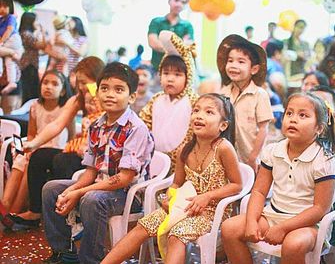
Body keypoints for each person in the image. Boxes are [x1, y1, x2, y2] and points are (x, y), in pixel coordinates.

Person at [101, 93, 242, 264]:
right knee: (143, 225)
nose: (199, 115)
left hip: (211, 212)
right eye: (196, 110)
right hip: (183, 206)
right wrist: (170, 197)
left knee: (176, 234)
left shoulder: (224, 148)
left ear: (223, 125)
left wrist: (207, 197)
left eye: (209, 112)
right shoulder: (186, 149)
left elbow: (237, 185)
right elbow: (177, 182)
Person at [41, 62, 154, 264]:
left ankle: (90, 260)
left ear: (132, 97)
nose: (110, 94)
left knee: (91, 199)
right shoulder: (97, 125)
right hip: (100, 185)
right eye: (104, 88)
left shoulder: (136, 128)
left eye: (118, 89)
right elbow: (91, 171)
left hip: (128, 194)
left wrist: (79, 193)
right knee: (52, 189)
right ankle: (64, 253)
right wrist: (73, 189)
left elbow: (124, 178)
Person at [222, 92, 335, 264]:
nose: (293, 119)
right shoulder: (273, 150)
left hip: (308, 225)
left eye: (303, 115)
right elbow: (259, 191)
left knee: (293, 245)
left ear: (319, 128)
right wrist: (251, 221)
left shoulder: (324, 160)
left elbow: (320, 209)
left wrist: (283, 228)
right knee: (229, 229)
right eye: (289, 113)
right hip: (273, 215)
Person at [10, 57, 105, 227]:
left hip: (96, 154)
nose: (82, 87)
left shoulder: (104, 98)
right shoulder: (77, 99)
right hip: (77, 148)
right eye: (79, 83)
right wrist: (34, 143)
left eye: (86, 82)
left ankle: (67, 210)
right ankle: (35, 211)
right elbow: (56, 124)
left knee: (61, 160)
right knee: (39, 155)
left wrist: (95, 93)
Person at [0, 69, 72, 226]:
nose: (48, 87)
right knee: (21, 161)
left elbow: (71, 137)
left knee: (31, 164)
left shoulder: (66, 109)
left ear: (63, 90)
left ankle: (16, 212)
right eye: (45, 83)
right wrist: (29, 148)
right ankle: (5, 207)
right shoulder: (35, 106)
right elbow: (32, 134)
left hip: (56, 151)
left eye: (54, 84)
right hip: (36, 148)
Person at [140, 30, 198, 172]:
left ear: (188, 76)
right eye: (166, 73)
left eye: (177, 74)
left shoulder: (194, 101)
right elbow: (143, 125)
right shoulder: (156, 99)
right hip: (155, 160)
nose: (170, 78)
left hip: (184, 163)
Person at [218, 34, 273, 171]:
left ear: (254, 69)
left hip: (251, 158)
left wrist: (253, 157)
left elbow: (263, 129)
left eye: (241, 62)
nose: (233, 65)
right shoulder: (223, 93)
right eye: (230, 61)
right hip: (227, 157)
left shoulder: (260, 95)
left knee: (250, 187)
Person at [147, 0, 193, 71]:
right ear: (169, 1)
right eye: (176, 0)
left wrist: (165, 47)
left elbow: (187, 47)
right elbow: (153, 42)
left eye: (183, 2)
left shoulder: (187, 26)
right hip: (156, 68)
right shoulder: (156, 22)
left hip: (177, 70)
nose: (179, 4)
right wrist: (177, 49)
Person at [0, 0, 23, 113]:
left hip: (10, 78)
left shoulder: (10, 19)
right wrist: (11, 53)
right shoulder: (2, 21)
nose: (2, 9)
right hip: (7, 77)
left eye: (4, 6)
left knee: (8, 112)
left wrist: (10, 51)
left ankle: (11, 82)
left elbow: (18, 57)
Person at [19, 12, 46, 103]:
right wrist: (42, 31)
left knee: (29, 90)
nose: (37, 23)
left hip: (28, 64)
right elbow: (42, 45)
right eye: (36, 20)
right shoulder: (27, 34)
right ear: (30, 21)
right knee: (31, 91)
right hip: (29, 65)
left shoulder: (25, 33)